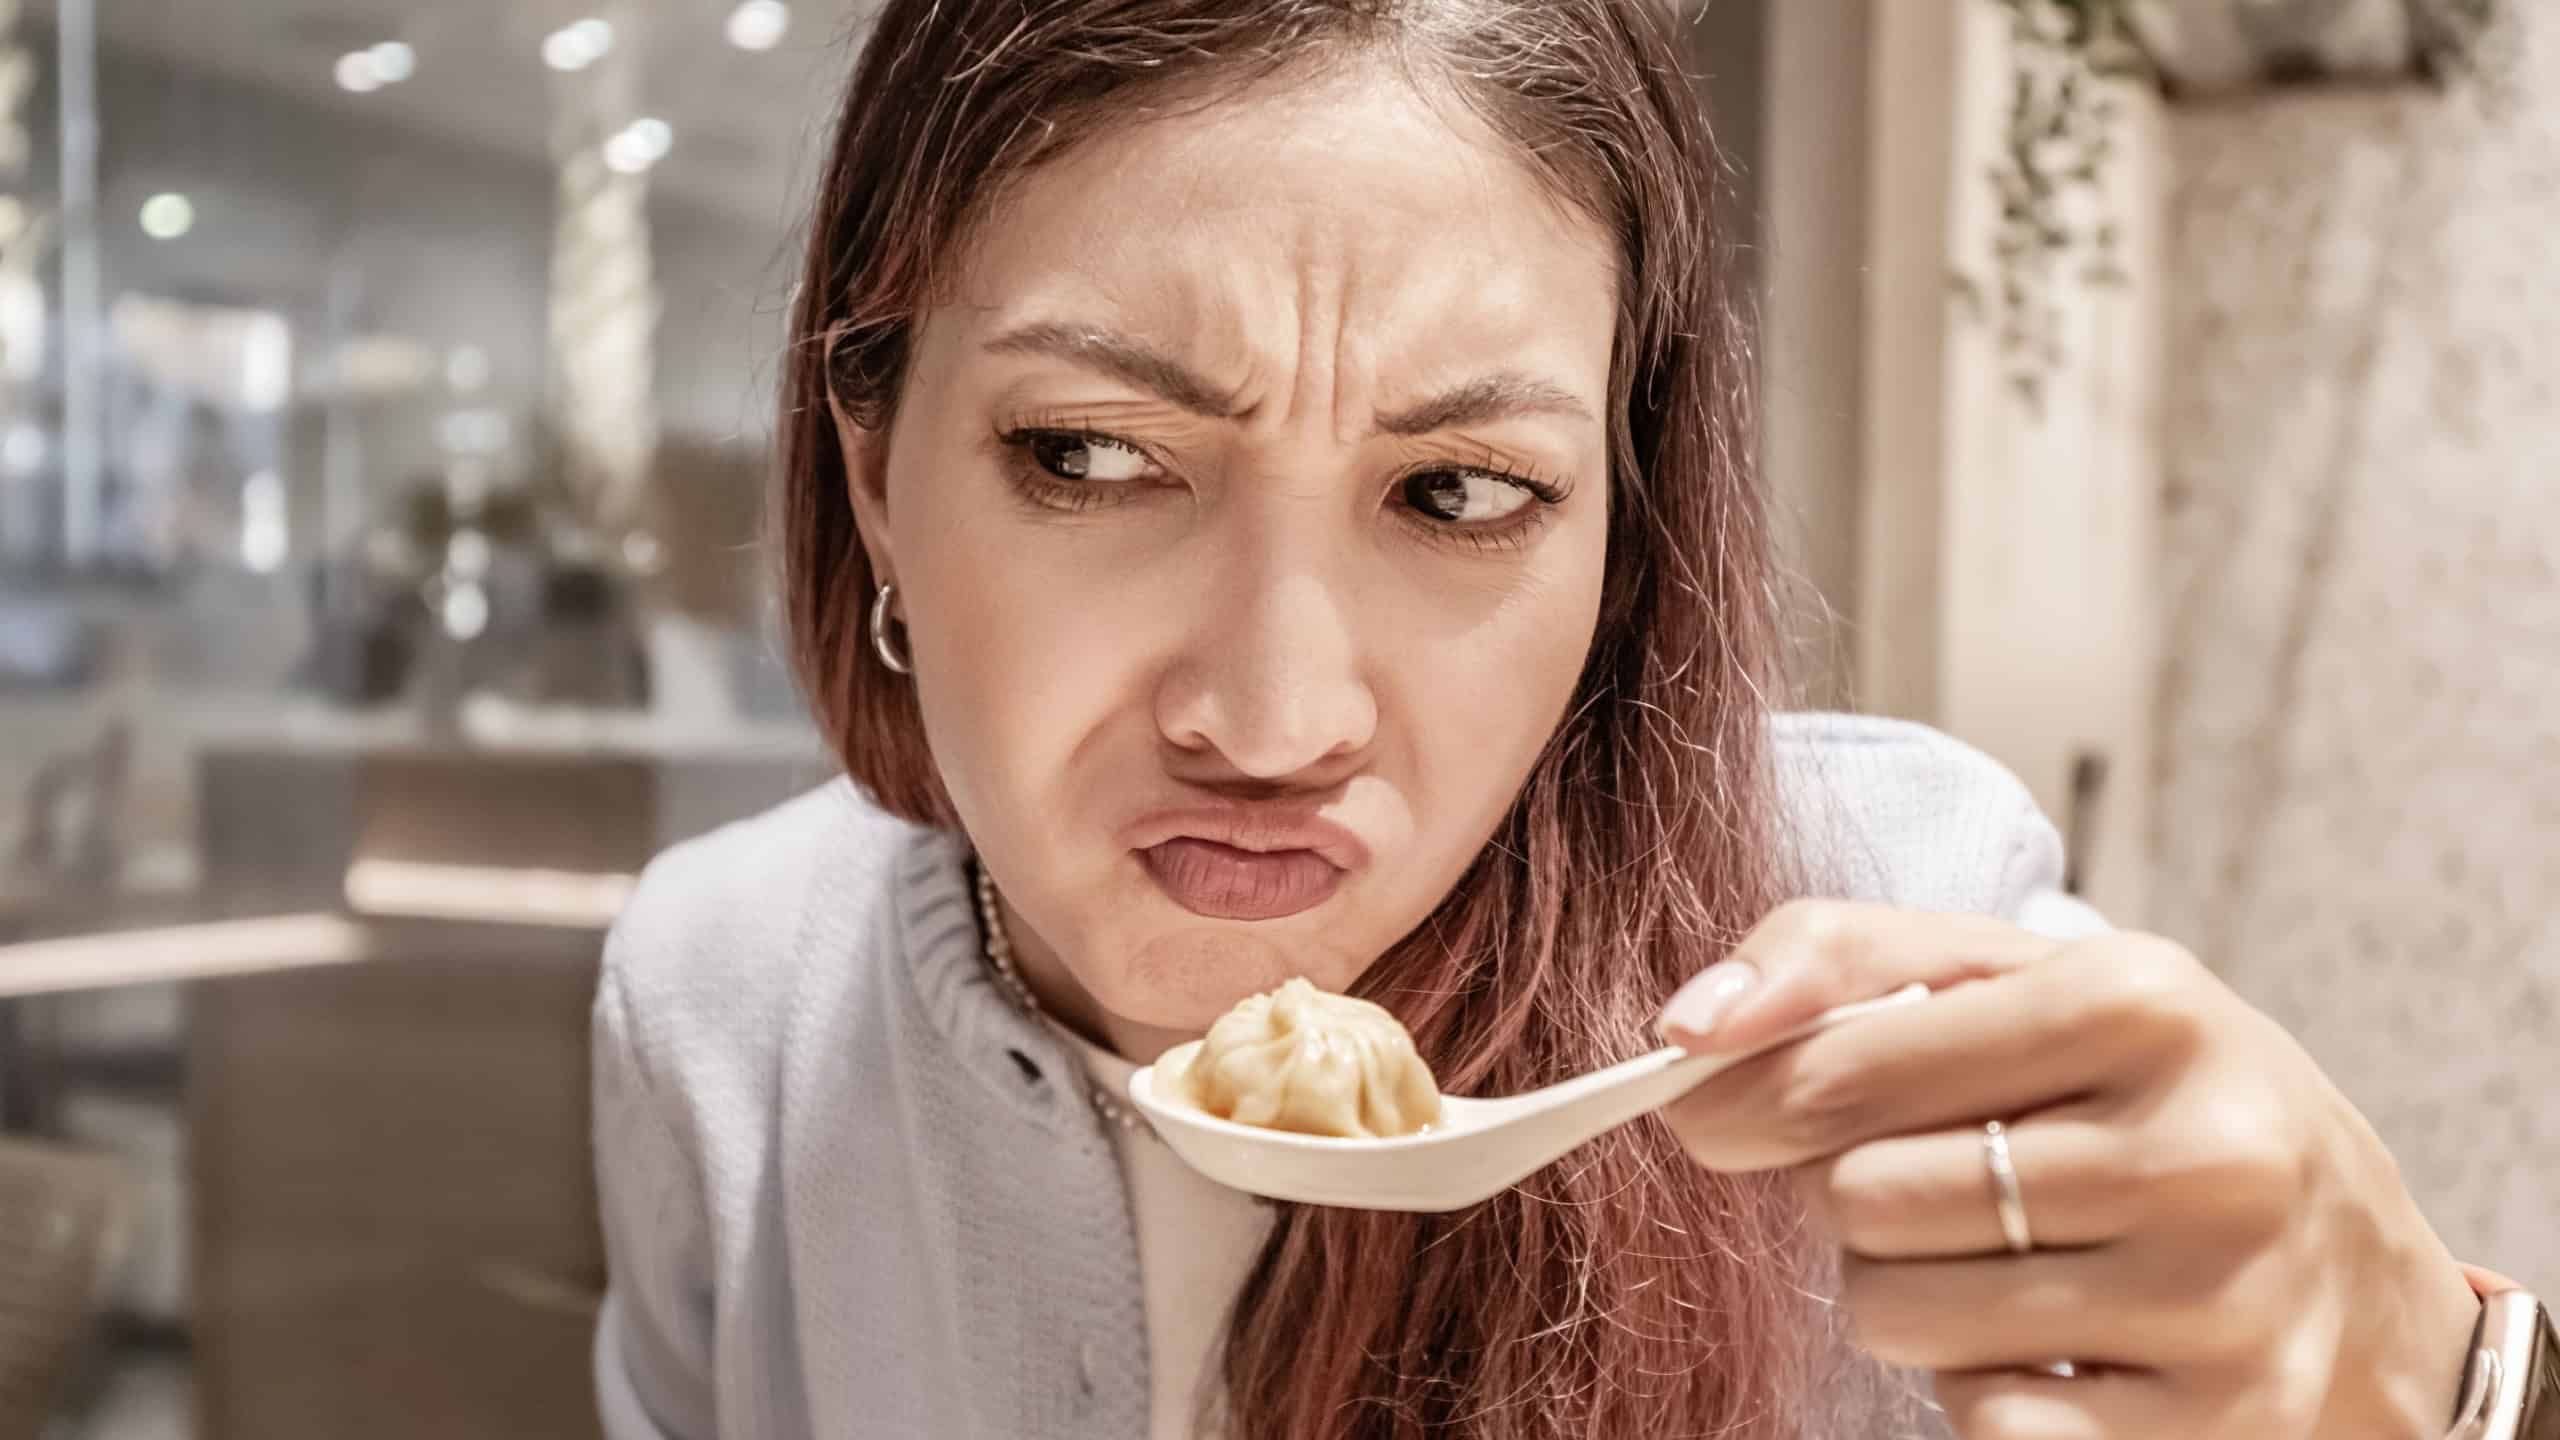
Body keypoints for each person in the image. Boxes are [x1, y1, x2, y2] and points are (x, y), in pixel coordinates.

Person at [590, 3, 2535, 1437]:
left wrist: (2441, 1378)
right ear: (868, 473)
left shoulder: (1886, 985)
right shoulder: (719, 1001)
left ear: (1618, 533)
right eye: (1090, 454)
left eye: (1455, 492)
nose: (1272, 718)